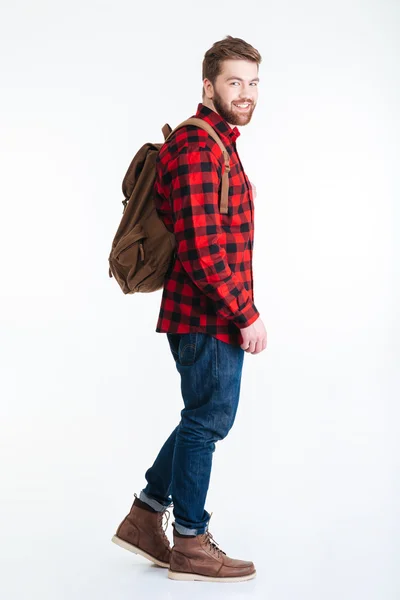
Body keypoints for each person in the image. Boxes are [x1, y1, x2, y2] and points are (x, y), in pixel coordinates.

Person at [112, 35, 267, 583]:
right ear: (208, 85)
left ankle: (145, 516)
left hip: (202, 312)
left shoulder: (217, 141)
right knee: (207, 420)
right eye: (234, 82)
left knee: (199, 416)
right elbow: (204, 251)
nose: (245, 93)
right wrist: (245, 313)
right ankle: (191, 542)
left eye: (252, 83)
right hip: (207, 314)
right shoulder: (201, 147)